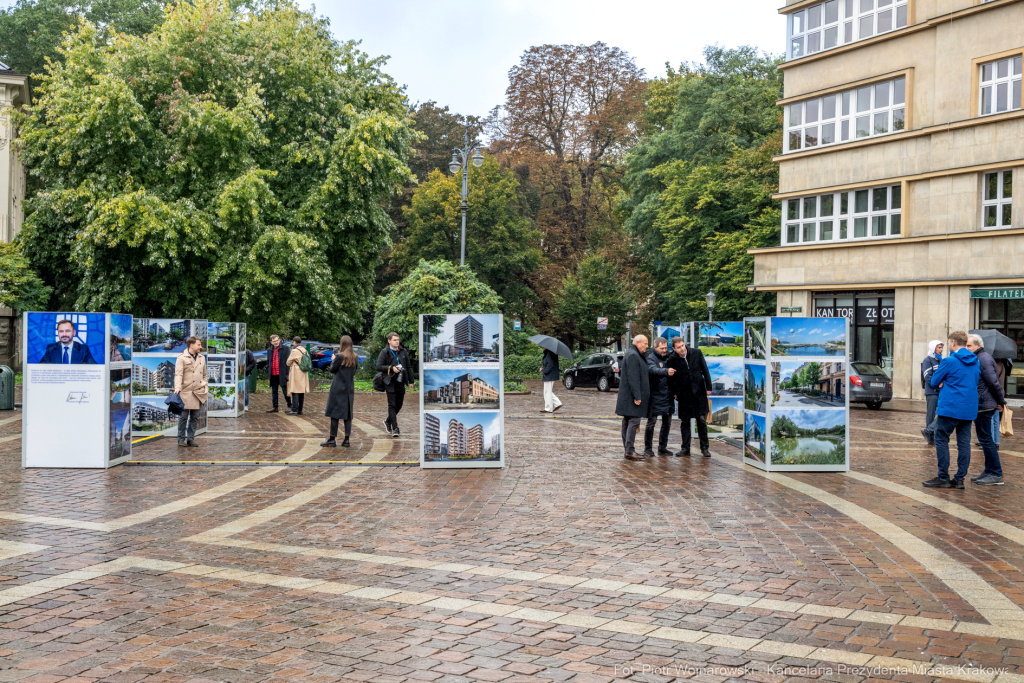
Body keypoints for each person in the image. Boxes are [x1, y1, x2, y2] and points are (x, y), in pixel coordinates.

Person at [923, 331, 979, 489]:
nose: (947, 346)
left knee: (941, 439)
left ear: (953, 343)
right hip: (968, 408)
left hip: (950, 407)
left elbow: (934, 381)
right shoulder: (975, 361)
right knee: (964, 443)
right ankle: (960, 479)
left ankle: (943, 477)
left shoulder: (949, 361)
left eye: (948, 343)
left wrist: (944, 381)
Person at [966, 333, 1006, 485]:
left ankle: (996, 473)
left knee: (986, 440)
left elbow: (993, 383)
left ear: (978, 345)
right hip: (982, 404)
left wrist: (1001, 401)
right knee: (985, 440)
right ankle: (989, 471)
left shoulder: (983, 359)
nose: (967, 348)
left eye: (969, 345)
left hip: (984, 405)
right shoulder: (980, 358)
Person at [667, 336, 713, 457]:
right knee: (685, 421)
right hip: (684, 394)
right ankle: (685, 448)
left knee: (701, 420)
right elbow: (672, 379)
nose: (682, 349)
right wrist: (675, 392)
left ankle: (704, 448)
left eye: (682, 345)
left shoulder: (696, 353)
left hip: (699, 391)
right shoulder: (672, 359)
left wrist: (708, 387)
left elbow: (705, 370)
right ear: (674, 348)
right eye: (678, 347)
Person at [615, 335, 650, 461]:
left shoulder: (633, 354)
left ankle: (628, 449)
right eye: (645, 344)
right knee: (634, 421)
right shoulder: (633, 355)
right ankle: (629, 450)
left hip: (628, 396)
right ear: (638, 342)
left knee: (628, 420)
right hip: (631, 396)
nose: (647, 346)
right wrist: (637, 396)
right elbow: (633, 377)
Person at [322, 335, 359, 447]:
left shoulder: (340, 356)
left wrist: (333, 360)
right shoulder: (355, 356)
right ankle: (346, 439)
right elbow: (355, 371)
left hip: (338, 387)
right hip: (348, 388)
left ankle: (332, 439)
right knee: (347, 414)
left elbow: (333, 370)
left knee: (334, 413)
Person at [644, 337, 676, 457]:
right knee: (651, 422)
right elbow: (652, 370)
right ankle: (648, 448)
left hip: (668, 395)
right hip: (655, 395)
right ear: (655, 347)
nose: (664, 350)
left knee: (667, 423)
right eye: (662, 348)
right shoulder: (651, 357)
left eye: (665, 348)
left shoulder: (669, 356)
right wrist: (666, 371)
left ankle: (662, 447)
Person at [174, 336, 207, 447]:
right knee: (183, 417)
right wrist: (177, 388)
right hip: (185, 392)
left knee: (194, 417)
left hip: (198, 392)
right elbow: (178, 374)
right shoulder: (181, 358)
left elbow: (205, 374)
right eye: (198, 345)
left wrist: (205, 386)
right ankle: (180, 439)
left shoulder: (202, 358)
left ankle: (191, 439)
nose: (200, 347)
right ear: (191, 345)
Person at [376, 332, 411, 436]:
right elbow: (378, 366)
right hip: (389, 381)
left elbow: (408, 367)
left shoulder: (403, 351)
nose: (397, 341)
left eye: (398, 340)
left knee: (399, 404)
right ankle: (395, 428)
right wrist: (391, 368)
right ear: (389, 341)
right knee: (392, 405)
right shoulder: (385, 352)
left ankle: (388, 421)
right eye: (395, 340)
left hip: (400, 381)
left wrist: (411, 381)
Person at [920, 340, 943, 445]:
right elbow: (927, 377)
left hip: (941, 392)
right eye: (939, 347)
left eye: (941, 347)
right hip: (932, 392)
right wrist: (938, 384)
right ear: (933, 348)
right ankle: (930, 435)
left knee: (943, 412)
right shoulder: (927, 360)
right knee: (931, 414)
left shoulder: (940, 360)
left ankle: (929, 430)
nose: (941, 349)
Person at [265, 335, 291, 413]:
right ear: (271, 342)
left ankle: (290, 405)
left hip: (282, 373)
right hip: (273, 374)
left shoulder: (285, 349)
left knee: (285, 390)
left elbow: (288, 361)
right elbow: (268, 361)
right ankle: (275, 407)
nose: (276, 342)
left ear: (279, 340)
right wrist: (268, 369)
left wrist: (287, 373)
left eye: (277, 340)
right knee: (274, 391)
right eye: (274, 341)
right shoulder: (269, 350)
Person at [286, 336, 310, 416]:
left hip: (296, 372)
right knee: (301, 391)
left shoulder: (294, 350)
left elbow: (288, 362)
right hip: (303, 372)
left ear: (294, 342)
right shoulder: (305, 350)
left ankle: (294, 410)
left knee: (295, 390)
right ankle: (300, 410)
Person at [540, 348, 563, 413]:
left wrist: (545, 372)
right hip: (550, 374)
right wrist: (543, 368)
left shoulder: (549, 353)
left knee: (547, 392)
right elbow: (548, 363)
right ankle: (557, 403)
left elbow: (550, 364)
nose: (542, 347)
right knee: (548, 391)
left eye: (543, 346)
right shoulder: (549, 353)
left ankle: (548, 408)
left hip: (550, 375)